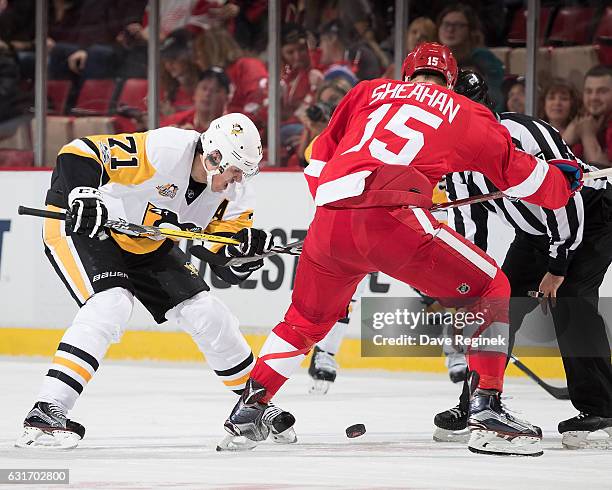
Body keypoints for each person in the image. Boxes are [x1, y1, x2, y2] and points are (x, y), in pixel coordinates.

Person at [220, 43, 581, 457]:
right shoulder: (462, 108)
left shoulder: (366, 91)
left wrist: (346, 207)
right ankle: (487, 411)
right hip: (393, 221)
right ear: (451, 79)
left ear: (405, 73)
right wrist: (560, 181)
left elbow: (318, 159)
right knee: (491, 288)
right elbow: (518, 175)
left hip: (331, 219)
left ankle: (248, 410)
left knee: (304, 320)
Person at [15, 113, 296, 449]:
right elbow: (79, 151)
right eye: (236, 170)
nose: (238, 180)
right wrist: (85, 194)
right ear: (214, 157)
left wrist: (248, 251)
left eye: (245, 172)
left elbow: (226, 267)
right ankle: (46, 412)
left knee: (208, 314)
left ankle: (252, 405)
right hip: (87, 223)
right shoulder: (167, 149)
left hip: (145, 240)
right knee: (111, 303)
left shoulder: (235, 196)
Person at [434, 70, 612, 450]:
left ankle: (603, 411)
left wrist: (557, 267)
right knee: (497, 306)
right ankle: (480, 403)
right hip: (534, 233)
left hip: (592, 216)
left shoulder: (525, 135)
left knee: (571, 300)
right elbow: (472, 230)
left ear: (485, 108)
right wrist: (464, 283)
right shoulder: (457, 162)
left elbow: (568, 198)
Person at [436, 3, 504, 111]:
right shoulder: (433, 58)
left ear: (471, 30)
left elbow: (496, 98)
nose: (450, 29)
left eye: (458, 25)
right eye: (446, 24)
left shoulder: (484, 58)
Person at [563, 65, 612, 167]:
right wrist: (566, 140)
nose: (594, 97)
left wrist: (587, 135)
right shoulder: (583, 119)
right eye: (588, 91)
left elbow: (603, 176)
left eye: (602, 91)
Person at [161, 67, 230, 132]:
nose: (207, 94)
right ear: (194, 93)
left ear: (226, 98)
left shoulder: (232, 128)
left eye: (215, 90)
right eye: (204, 88)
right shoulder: (175, 122)